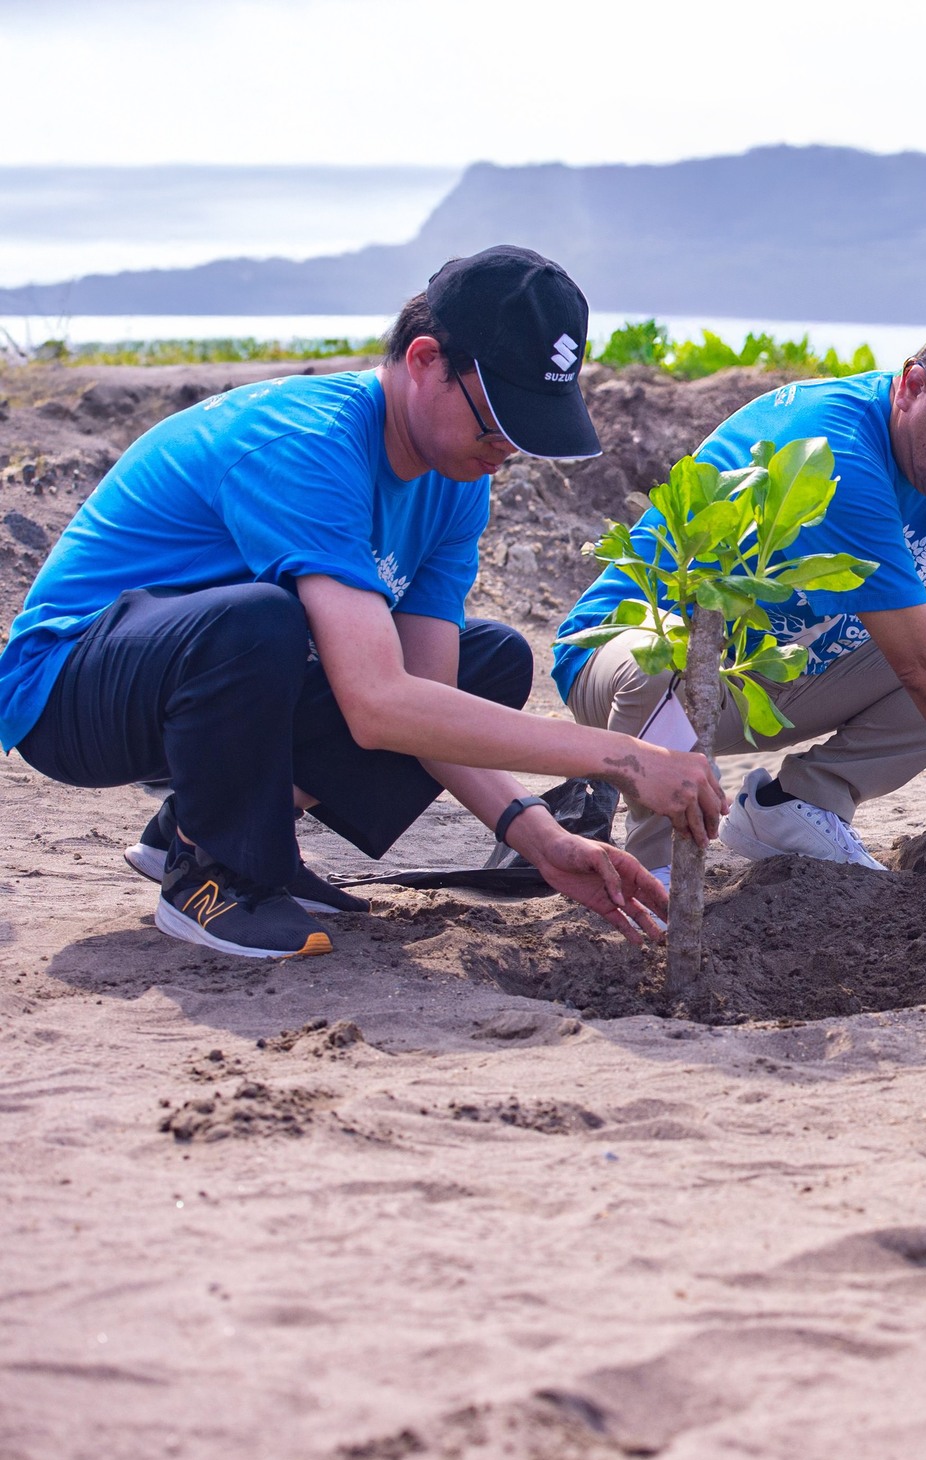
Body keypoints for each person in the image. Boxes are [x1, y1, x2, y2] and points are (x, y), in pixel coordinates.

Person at [0, 246, 726, 960]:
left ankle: (206, 829)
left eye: (528, 427)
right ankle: (215, 869)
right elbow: (378, 706)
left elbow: (425, 711)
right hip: (73, 692)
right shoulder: (311, 445)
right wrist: (625, 759)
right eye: (497, 419)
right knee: (260, 619)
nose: (508, 447)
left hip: (217, 694)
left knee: (489, 663)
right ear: (424, 361)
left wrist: (543, 840)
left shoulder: (456, 482)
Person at [555, 336, 926, 879]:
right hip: (635, 671)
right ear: (912, 386)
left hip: (783, 669)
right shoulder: (835, 449)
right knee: (669, 658)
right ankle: (657, 866)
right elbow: (922, 668)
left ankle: (797, 806)